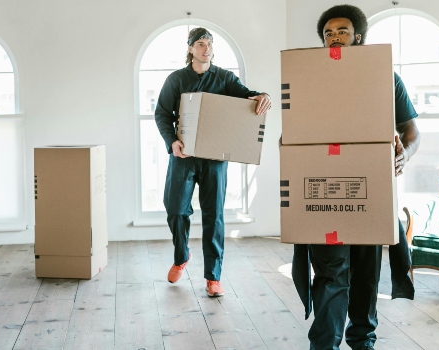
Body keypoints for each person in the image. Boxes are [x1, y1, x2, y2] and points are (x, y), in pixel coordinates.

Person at [290, 4, 421, 350]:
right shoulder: (309, 78)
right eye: (328, 33)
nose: (334, 37)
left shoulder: (385, 76)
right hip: (323, 192)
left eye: (342, 31)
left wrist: (404, 153)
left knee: (365, 275)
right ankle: (325, 345)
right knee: (331, 274)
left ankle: (363, 340)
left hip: (369, 192)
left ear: (358, 36)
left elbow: (411, 130)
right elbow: (294, 132)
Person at [154, 27, 271, 297]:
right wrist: (172, 142)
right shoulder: (176, 79)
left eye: (209, 44)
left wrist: (262, 96)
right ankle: (182, 256)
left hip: (215, 158)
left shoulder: (225, 77)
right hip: (183, 156)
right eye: (200, 44)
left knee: (213, 215)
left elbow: (246, 96)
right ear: (190, 49)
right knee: (175, 209)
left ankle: (213, 277)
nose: (206, 48)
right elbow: (161, 113)